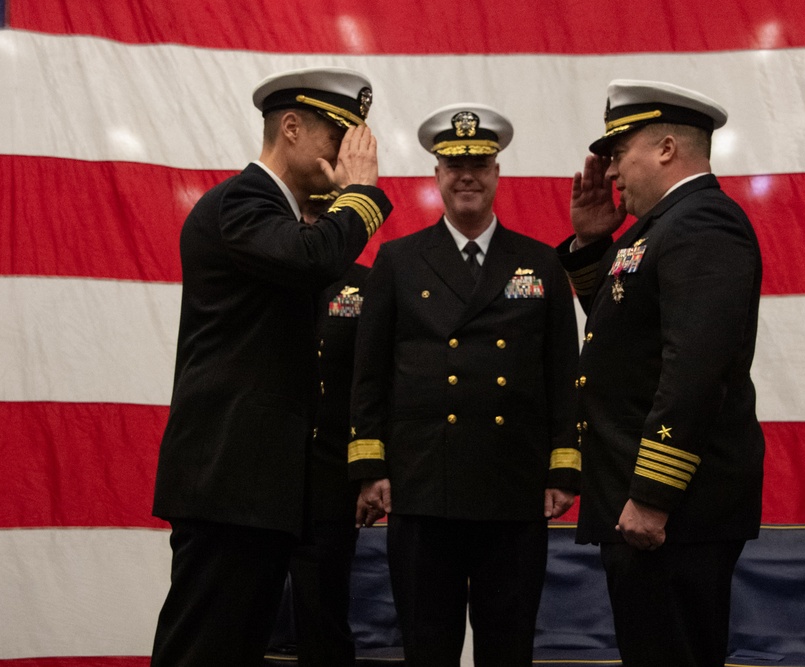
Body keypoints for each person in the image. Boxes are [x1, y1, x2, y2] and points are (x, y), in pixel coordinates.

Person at [150, 67, 392, 667]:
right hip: (227, 484)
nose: (345, 159)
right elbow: (314, 259)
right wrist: (362, 194)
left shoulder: (274, 214)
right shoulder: (242, 201)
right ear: (290, 127)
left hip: (258, 491)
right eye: (338, 140)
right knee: (202, 651)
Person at [348, 103, 580, 667]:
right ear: (437, 176)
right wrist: (370, 467)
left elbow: (562, 373)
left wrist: (563, 467)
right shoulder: (399, 261)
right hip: (425, 489)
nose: (467, 175)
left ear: (498, 172)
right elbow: (369, 374)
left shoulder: (540, 262)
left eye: (479, 162)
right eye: (454, 165)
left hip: (514, 489)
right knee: (428, 648)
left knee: (509, 648)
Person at [557, 80, 765, 667]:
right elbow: (624, 330)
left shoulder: (702, 223)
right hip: (646, 505)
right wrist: (595, 244)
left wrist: (652, 495)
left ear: (668, 148)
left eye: (620, 154)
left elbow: (695, 370)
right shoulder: (665, 225)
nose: (611, 172)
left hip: (673, 511)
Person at [269, 190, 370, 666]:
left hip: (330, 480)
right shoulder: (266, 278)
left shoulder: (367, 286)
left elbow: (378, 387)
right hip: (263, 478)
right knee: (242, 616)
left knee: (323, 616)